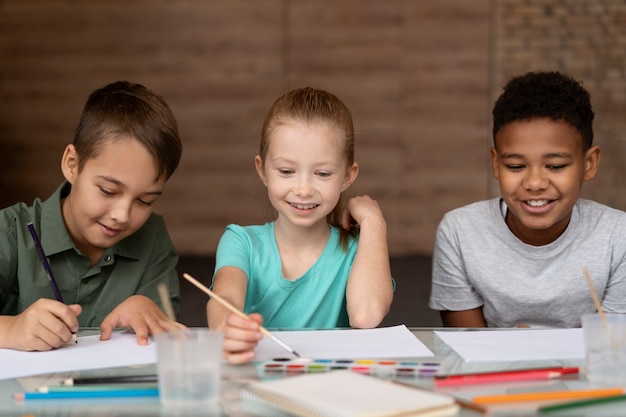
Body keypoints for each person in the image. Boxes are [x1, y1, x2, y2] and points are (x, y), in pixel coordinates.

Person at [207, 87, 394, 363]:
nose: (304, 189)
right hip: (255, 384)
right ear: (262, 170)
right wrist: (228, 325)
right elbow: (226, 298)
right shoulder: (240, 241)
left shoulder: (358, 250)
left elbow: (366, 315)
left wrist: (374, 221)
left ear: (347, 176)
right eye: (286, 171)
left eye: (322, 173)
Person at [429, 71, 626, 328]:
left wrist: (536, 347)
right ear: (496, 164)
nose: (534, 183)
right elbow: (467, 347)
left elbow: (612, 349)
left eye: (555, 166)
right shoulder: (460, 232)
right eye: (515, 166)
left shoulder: (618, 236)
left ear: (589, 164)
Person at [0, 81, 183, 351]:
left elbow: (165, 342)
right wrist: (9, 330)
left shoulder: (153, 237)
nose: (122, 216)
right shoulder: (10, 232)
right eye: (108, 191)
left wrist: (147, 311)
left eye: (144, 201)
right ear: (72, 165)